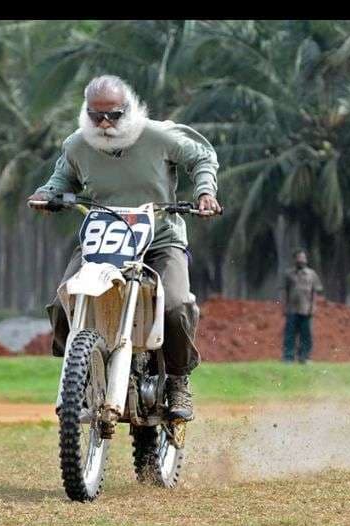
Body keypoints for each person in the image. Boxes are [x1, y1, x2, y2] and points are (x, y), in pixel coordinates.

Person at [27, 75, 222, 421]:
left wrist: (205, 192)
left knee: (175, 307)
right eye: (96, 115)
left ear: (128, 110)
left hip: (159, 238)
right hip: (104, 238)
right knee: (63, 302)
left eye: (113, 115)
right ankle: (81, 373)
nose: (104, 123)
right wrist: (46, 194)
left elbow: (201, 158)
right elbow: (61, 179)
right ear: (86, 113)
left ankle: (178, 380)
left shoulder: (157, 136)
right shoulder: (77, 145)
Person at [281, 249, 324, 364]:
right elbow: (285, 291)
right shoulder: (288, 274)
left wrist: (313, 307)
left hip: (306, 309)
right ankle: (288, 358)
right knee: (289, 335)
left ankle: (305, 357)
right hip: (292, 309)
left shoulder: (312, 274)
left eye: (303, 258)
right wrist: (284, 307)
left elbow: (315, 292)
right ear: (295, 259)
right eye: (299, 258)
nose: (301, 260)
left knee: (306, 335)